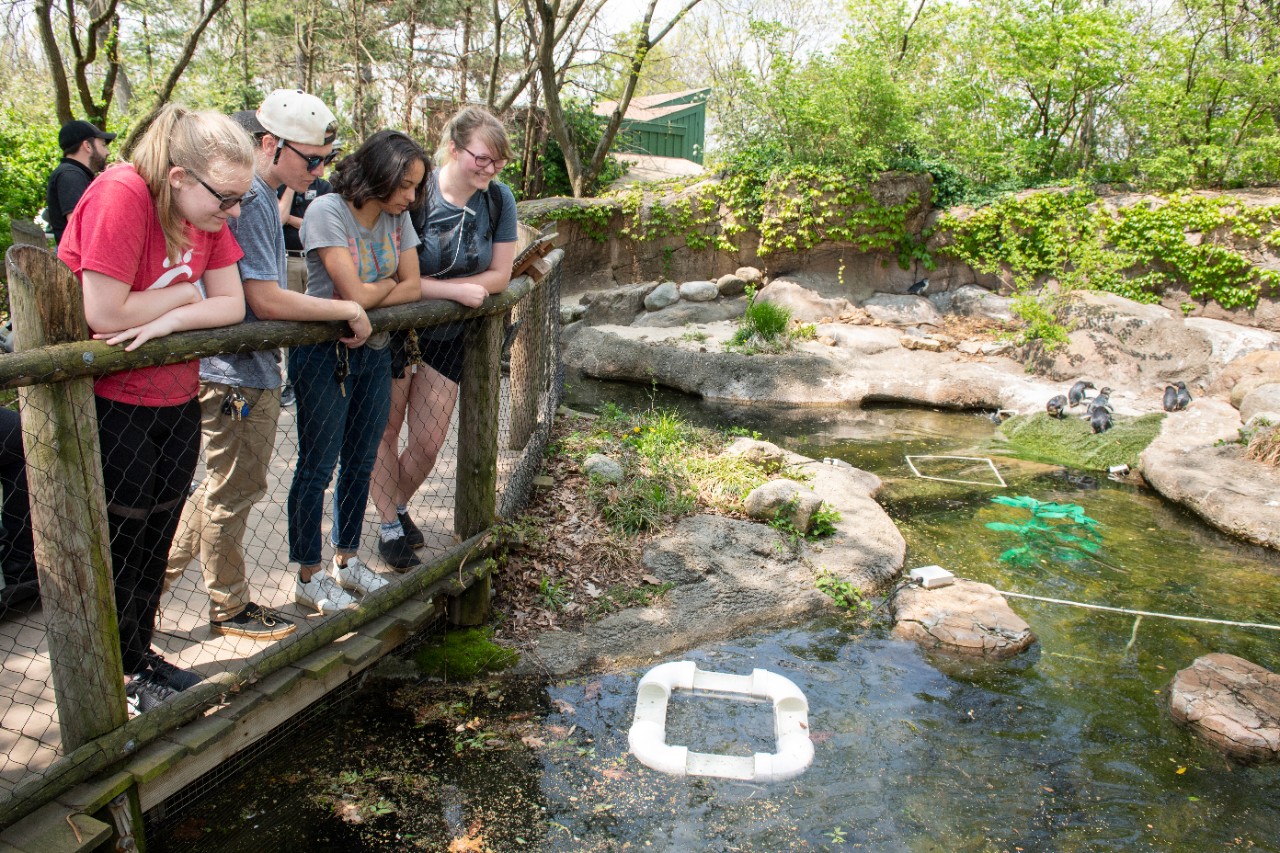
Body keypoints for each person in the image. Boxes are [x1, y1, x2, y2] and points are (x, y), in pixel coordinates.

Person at [58, 104, 252, 710]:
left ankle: (137, 654)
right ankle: (110, 673)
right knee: (120, 535)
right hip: (111, 401)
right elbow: (104, 312)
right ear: (178, 177)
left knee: (159, 529)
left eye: (239, 199)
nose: (233, 213)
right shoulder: (122, 194)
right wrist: (184, 295)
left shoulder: (209, 214)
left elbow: (229, 304)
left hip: (175, 393)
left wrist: (171, 310)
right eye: (224, 199)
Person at [166, 90, 373, 639]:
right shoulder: (254, 199)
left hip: (235, 370)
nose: (321, 169)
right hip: (234, 374)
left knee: (221, 491)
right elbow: (264, 298)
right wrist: (347, 307)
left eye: (325, 159)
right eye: (312, 159)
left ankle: (150, 591)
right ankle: (229, 606)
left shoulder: (259, 196)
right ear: (269, 144)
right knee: (230, 493)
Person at [287, 130, 428, 610]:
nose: (411, 197)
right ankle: (308, 574)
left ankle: (345, 562)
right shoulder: (328, 211)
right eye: (405, 185)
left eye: (416, 187)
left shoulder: (398, 218)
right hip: (324, 350)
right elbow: (352, 295)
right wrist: (385, 283)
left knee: (361, 461)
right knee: (317, 465)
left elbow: (414, 286)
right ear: (379, 174)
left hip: (375, 349)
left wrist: (377, 290)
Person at [371, 106, 517, 568]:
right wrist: (454, 291)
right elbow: (394, 275)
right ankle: (389, 526)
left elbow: (501, 273)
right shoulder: (416, 193)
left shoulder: (498, 200)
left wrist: (457, 295)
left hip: (449, 336)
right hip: (395, 329)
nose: (490, 170)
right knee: (385, 431)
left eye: (498, 162)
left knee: (429, 441)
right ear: (454, 149)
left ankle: (393, 506)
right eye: (482, 158)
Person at [45, 120, 116, 244]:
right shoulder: (71, 175)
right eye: (103, 145)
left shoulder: (75, 173)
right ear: (87, 146)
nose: (107, 152)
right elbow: (79, 227)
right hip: (77, 261)